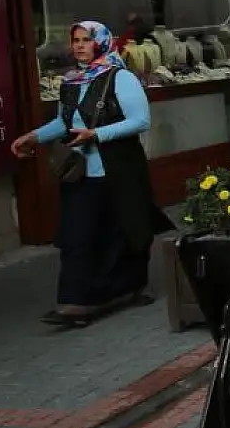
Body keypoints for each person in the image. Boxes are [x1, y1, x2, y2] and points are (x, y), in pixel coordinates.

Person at [11, 21, 170, 328]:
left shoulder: (119, 77)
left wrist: (96, 134)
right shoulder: (72, 81)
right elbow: (65, 122)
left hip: (119, 167)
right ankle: (76, 301)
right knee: (78, 235)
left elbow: (140, 120)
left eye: (86, 40)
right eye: (75, 40)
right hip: (82, 171)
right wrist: (34, 137)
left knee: (124, 229)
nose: (80, 46)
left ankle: (131, 287)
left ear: (101, 42)